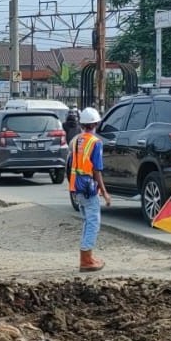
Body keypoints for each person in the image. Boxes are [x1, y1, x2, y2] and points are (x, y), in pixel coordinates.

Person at [68, 107, 111, 272]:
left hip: (77, 186)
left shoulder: (78, 140)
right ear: (96, 124)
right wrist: (105, 192)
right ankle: (86, 260)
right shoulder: (95, 142)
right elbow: (97, 170)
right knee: (93, 222)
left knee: (87, 221)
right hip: (88, 187)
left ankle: (87, 256)